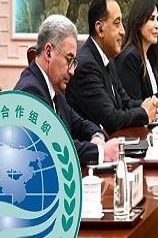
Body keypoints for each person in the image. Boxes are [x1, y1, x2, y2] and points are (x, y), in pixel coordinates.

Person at [15, 15, 120, 164]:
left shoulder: (54, 88)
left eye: (74, 62)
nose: (72, 71)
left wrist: (97, 135)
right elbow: (53, 146)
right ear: (49, 52)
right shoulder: (31, 91)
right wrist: (101, 152)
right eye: (68, 59)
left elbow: (78, 123)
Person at [67, 0, 158, 133]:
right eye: (117, 23)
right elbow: (111, 119)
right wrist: (145, 112)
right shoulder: (87, 65)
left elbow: (125, 102)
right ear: (100, 29)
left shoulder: (107, 58)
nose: (123, 31)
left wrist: (147, 104)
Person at [116, 0, 158, 103]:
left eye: (157, 19)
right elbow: (136, 106)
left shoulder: (149, 56)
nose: (157, 25)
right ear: (139, 22)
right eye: (151, 19)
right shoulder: (130, 57)